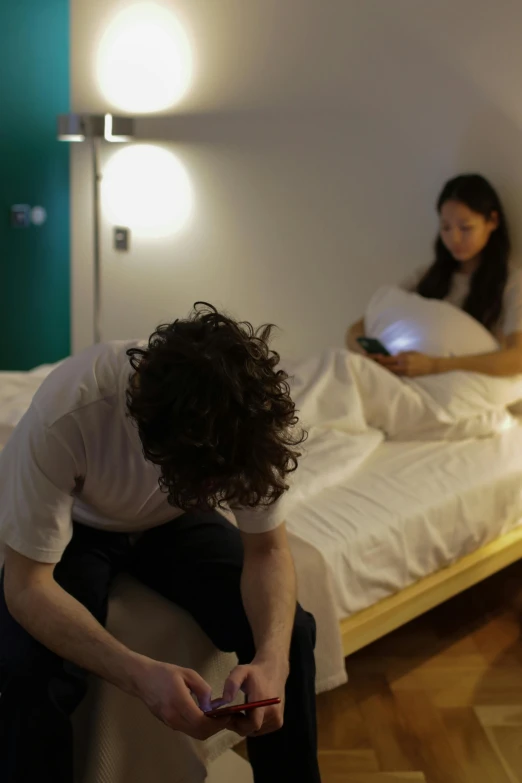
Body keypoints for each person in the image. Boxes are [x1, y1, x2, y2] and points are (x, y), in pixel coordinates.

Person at [0, 303, 321, 783]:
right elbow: (26, 586)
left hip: (175, 517)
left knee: (289, 631)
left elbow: (268, 550)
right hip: (79, 522)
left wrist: (272, 663)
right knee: (28, 667)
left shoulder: (243, 420)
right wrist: (140, 674)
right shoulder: (68, 412)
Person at [346, 174, 522, 377]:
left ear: (492, 221)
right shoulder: (428, 276)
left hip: (452, 387)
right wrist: (364, 350)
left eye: (465, 228)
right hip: (403, 377)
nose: (453, 238)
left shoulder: (511, 283)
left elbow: (516, 359)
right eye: (446, 227)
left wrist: (434, 366)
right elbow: (356, 328)